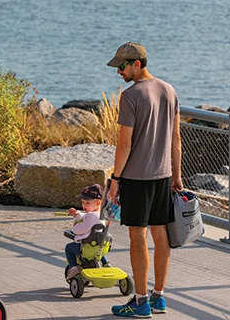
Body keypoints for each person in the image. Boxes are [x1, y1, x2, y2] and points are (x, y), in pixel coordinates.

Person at [105, 42, 182, 318]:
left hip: (136, 178)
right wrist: (177, 176)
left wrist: (115, 179)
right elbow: (176, 139)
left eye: (122, 67)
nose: (119, 72)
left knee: (138, 236)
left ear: (137, 63)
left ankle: (140, 302)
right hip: (163, 175)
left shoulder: (130, 97)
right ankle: (158, 297)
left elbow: (124, 144)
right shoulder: (169, 90)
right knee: (160, 234)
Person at [65, 183, 110, 280]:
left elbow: (79, 230)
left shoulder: (92, 216)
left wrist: (76, 223)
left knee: (69, 248)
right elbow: (85, 217)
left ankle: (74, 268)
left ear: (98, 202)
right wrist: (76, 214)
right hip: (101, 247)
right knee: (98, 249)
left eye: (87, 203)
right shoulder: (102, 214)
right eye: (83, 202)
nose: (84, 205)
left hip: (87, 248)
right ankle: (106, 263)